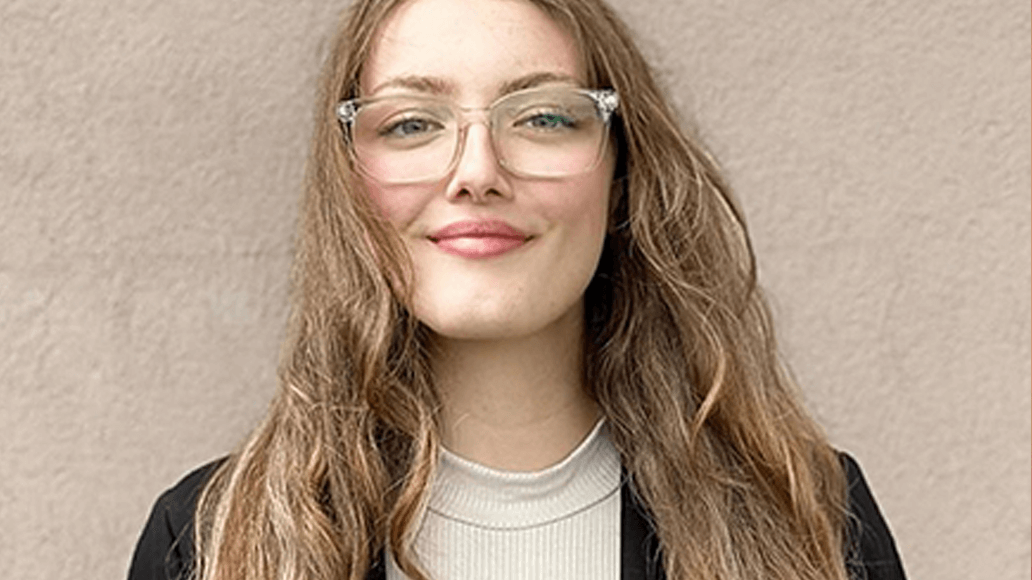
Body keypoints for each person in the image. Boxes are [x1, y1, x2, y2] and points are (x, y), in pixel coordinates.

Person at [128, 0, 907, 579]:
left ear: (621, 172)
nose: (476, 172)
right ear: (349, 181)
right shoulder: (206, 542)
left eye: (540, 117)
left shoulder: (811, 523)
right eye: (410, 123)